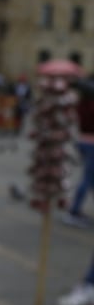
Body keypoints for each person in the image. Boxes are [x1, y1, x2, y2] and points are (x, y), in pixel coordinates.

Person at [61, 73, 94, 228]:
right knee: (87, 179)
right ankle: (74, 211)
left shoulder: (81, 105)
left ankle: (75, 209)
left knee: (90, 178)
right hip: (91, 144)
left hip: (82, 141)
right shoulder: (91, 107)